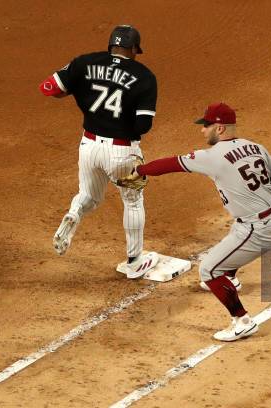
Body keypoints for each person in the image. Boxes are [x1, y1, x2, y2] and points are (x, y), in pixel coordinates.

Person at [118, 102, 271, 341]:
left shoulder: (213, 156)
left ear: (219, 128)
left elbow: (171, 164)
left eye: (206, 125)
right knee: (235, 233)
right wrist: (264, 207)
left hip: (257, 229)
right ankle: (229, 277)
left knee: (208, 269)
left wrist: (140, 169)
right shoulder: (255, 146)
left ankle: (242, 321)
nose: (202, 130)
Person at [39, 25, 159, 279]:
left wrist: (78, 93)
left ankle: (74, 214)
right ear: (135, 49)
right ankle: (135, 261)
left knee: (89, 196)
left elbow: (49, 88)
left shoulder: (85, 62)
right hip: (121, 151)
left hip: (89, 146)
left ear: (111, 45)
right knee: (133, 200)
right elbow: (143, 125)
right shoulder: (144, 76)